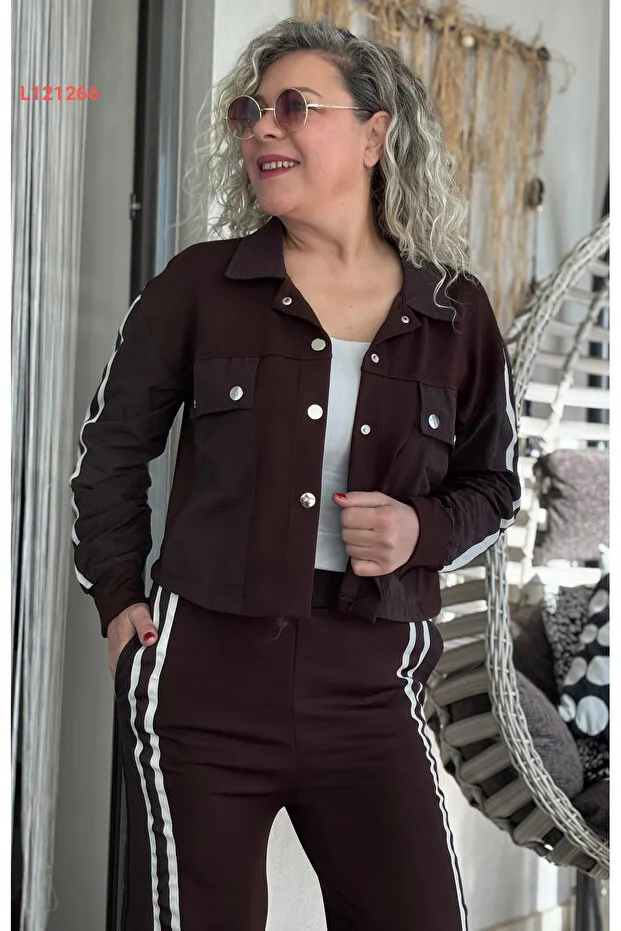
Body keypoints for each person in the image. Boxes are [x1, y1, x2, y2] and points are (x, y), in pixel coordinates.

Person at [71, 17, 520, 931]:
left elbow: (494, 485)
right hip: (204, 681)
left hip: (372, 687)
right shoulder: (199, 285)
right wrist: (120, 598)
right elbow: (109, 451)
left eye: (293, 107)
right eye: (250, 112)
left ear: (373, 134)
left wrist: (418, 529)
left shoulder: (454, 310)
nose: (262, 129)